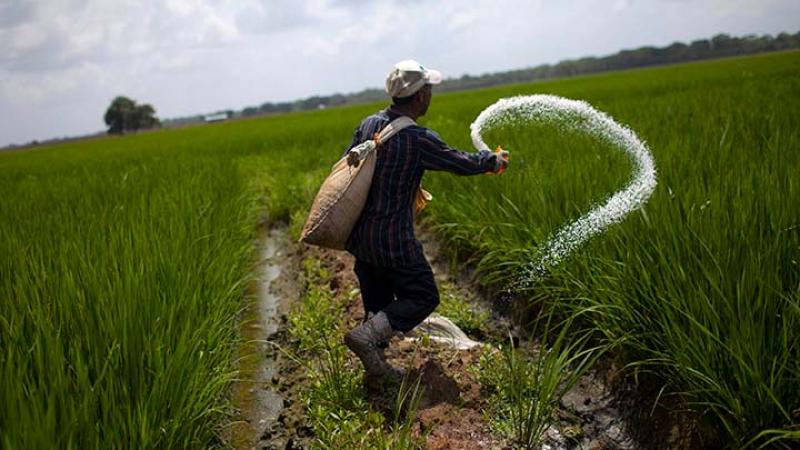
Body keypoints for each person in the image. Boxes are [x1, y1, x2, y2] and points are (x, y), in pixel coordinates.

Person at [343, 60, 509, 383]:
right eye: (428, 89)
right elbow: (459, 162)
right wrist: (493, 161)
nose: (430, 94)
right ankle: (364, 340)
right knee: (423, 295)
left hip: (362, 239)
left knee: (378, 307)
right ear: (419, 97)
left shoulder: (368, 125)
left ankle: (375, 372)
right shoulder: (417, 138)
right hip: (394, 240)